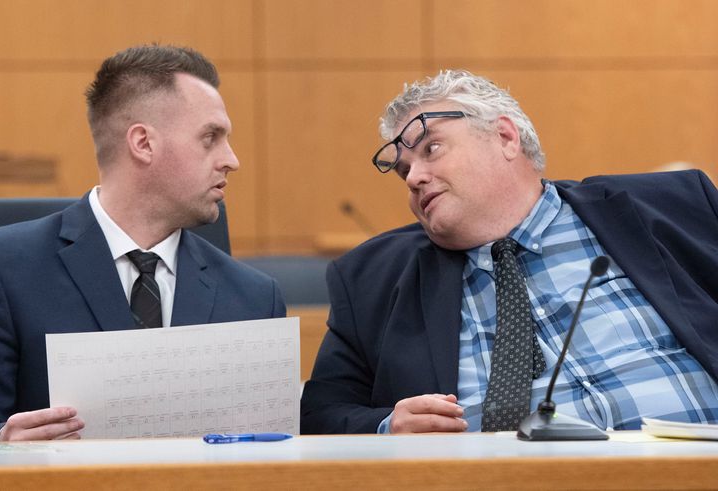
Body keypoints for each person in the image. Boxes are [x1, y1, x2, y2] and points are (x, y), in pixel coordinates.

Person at [300, 69, 718, 434]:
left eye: (431, 149)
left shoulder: (673, 204)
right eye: (405, 170)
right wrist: (387, 427)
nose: (414, 178)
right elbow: (320, 415)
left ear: (505, 137)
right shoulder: (371, 279)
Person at [0, 45, 286, 442]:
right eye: (210, 138)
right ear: (143, 143)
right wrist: (1, 442)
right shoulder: (1, 268)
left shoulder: (254, 298)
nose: (231, 159)